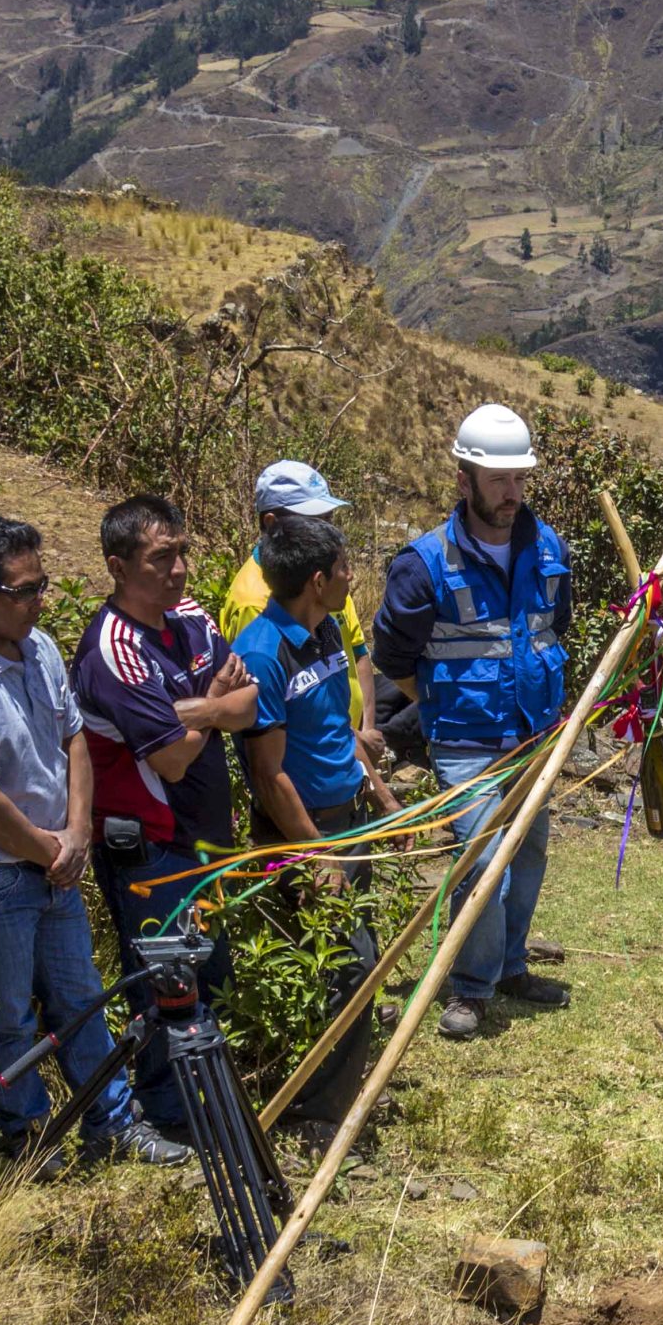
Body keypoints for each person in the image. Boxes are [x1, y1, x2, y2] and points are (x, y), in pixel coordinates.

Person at [0, 516, 185, 1165]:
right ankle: (28, 1135)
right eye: (22, 590)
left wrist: (77, 830)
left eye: (42, 586)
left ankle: (110, 1123)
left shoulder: (38, 648)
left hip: (54, 860)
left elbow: (73, 739)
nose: (38, 602)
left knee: (81, 998)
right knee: (8, 1018)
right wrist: (52, 849)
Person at [371, 404, 575, 1042]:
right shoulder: (423, 564)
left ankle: (510, 966)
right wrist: (439, 701)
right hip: (463, 741)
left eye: (520, 478)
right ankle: (471, 987)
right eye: (498, 480)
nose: (512, 493)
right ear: (463, 480)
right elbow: (392, 656)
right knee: (485, 861)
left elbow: (552, 629)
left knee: (530, 852)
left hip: (533, 734)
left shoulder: (547, 548)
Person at [73, 493, 255, 1138]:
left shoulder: (190, 615)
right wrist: (212, 702)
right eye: (160, 558)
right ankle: (170, 1111)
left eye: (181, 552)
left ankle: (210, 1098)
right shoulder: (113, 649)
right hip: (152, 840)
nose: (177, 570)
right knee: (163, 980)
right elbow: (173, 760)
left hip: (203, 836)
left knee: (208, 966)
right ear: (119, 566)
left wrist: (197, 709)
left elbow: (252, 700)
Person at [232, 513, 400, 1127]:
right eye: (347, 569)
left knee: (356, 959)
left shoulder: (326, 631)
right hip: (303, 834)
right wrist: (316, 853)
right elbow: (268, 774)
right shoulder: (262, 652)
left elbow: (339, 734)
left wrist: (382, 800)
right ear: (319, 579)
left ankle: (340, 1094)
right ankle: (318, 1115)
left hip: (349, 820)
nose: (354, 578)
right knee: (345, 969)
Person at [219, 460, 384, 771]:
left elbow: (358, 650)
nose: (329, 534)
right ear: (271, 524)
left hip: (349, 755)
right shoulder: (254, 602)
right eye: (315, 522)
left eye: (329, 521)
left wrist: (366, 731)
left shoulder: (328, 578)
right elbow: (272, 720)